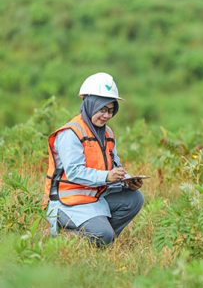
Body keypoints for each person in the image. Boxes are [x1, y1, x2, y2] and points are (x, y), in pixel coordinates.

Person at [43, 72, 144, 246]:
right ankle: (70, 235)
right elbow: (74, 173)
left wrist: (126, 180)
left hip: (94, 197)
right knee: (103, 235)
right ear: (90, 104)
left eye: (111, 111)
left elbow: (114, 166)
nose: (106, 115)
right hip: (67, 202)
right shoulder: (71, 133)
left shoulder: (108, 133)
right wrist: (106, 177)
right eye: (102, 109)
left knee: (135, 198)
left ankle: (100, 237)